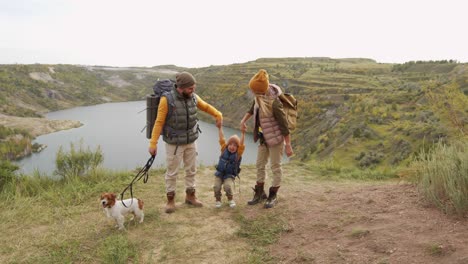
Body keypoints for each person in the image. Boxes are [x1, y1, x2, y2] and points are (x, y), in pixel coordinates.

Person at [148, 72, 223, 213]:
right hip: (174, 143)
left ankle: (190, 196)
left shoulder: (193, 97)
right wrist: (153, 143)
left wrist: (218, 114)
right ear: (180, 88)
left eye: (194, 87)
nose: (193, 90)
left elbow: (206, 106)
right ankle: (170, 200)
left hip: (191, 140)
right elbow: (158, 123)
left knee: (191, 170)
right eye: (190, 88)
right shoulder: (167, 100)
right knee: (172, 172)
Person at [240, 69, 294, 208]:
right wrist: (243, 121)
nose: (252, 92)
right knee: (260, 165)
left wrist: (288, 144)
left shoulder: (275, 102)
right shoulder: (258, 98)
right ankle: (259, 194)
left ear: (260, 90)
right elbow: (252, 109)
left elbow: (284, 125)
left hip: (276, 139)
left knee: (275, 167)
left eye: (254, 90)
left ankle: (273, 195)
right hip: (264, 138)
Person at [213, 125, 246, 208]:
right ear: (227, 145)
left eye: (235, 145)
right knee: (216, 187)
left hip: (229, 175)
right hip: (220, 172)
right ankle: (218, 200)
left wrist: (243, 133)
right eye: (230, 144)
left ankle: (230, 199)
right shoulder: (223, 148)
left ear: (237, 147)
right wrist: (220, 128)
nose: (232, 147)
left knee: (227, 186)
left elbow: (241, 145)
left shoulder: (238, 154)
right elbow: (221, 139)